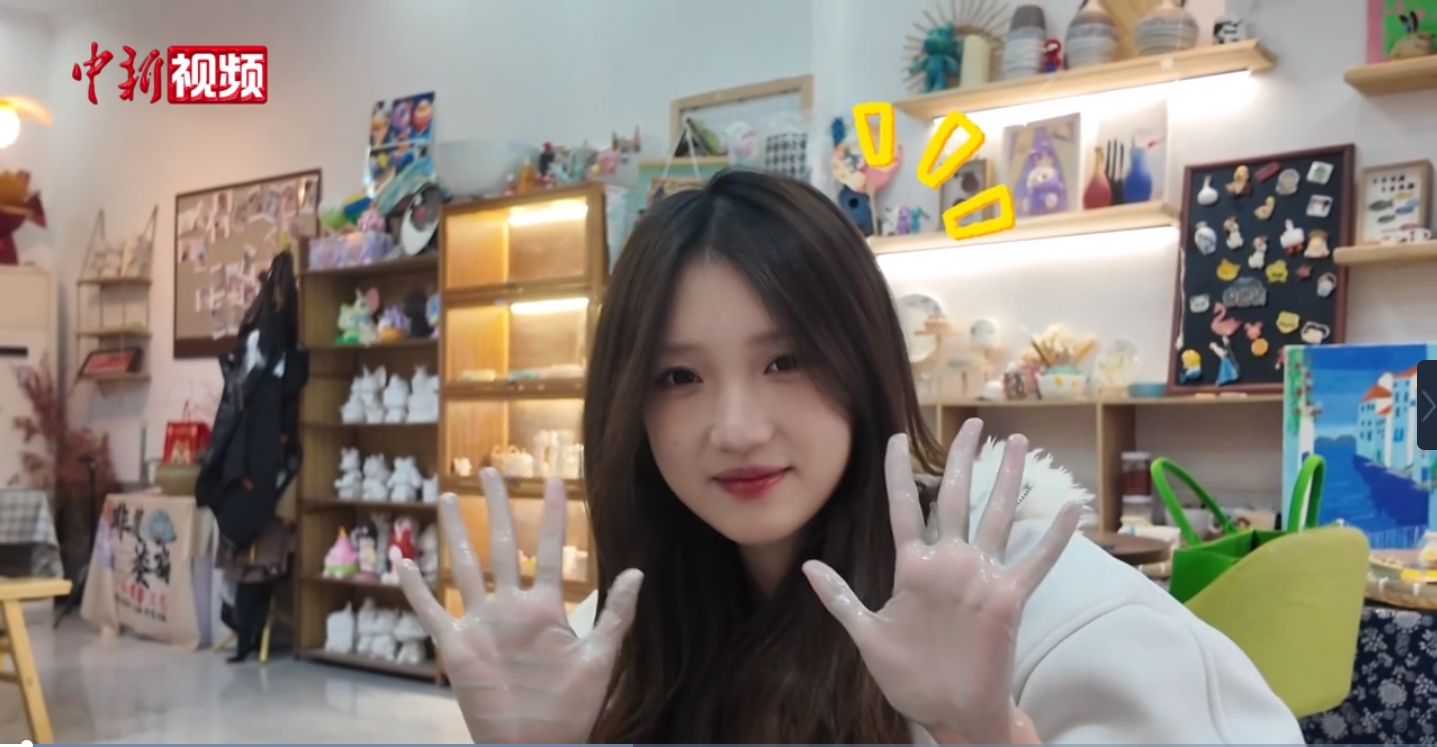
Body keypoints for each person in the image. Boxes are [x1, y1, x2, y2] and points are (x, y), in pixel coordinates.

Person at [398, 169, 1304, 744]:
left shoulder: (1044, 608)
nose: (736, 427)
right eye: (678, 376)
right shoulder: (620, 639)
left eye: (784, 361)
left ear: (863, 360)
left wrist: (986, 735)